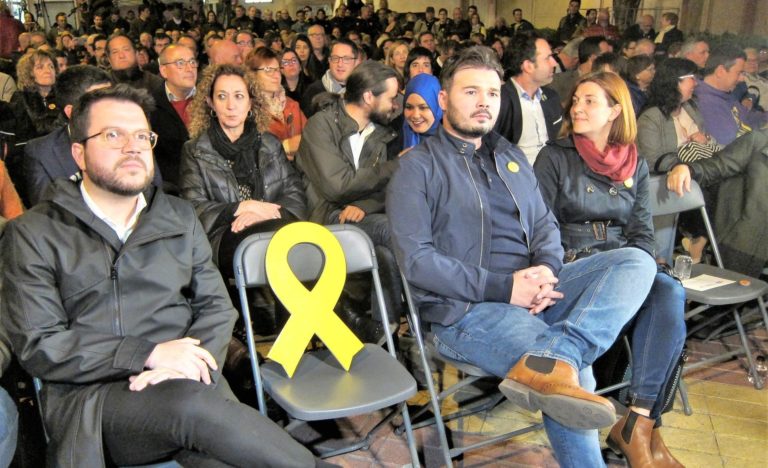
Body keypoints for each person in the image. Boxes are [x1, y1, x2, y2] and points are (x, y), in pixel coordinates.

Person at [1, 84, 324, 467]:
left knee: (219, 457)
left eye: (142, 136)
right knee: (195, 409)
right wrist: (149, 355)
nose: (132, 146)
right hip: (98, 401)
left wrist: (190, 362)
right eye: (112, 135)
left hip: (189, 380)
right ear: (79, 154)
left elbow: (217, 307)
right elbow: (41, 344)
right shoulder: (35, 233)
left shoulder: (177, 216)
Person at [387, 45, 657, 467]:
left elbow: (546, 225)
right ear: (443, 100)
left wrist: (547, 272)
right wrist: (506, 287)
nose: (483, 103)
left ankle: (560, 352)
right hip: (468, 309)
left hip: (536, 291)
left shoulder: (510, 156)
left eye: (492, 94)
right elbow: (417, 262)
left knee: (636, 262)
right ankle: (561, 367)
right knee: (574, 379)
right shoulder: (416, 168)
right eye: (471, 92)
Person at [533, 71, 686, 468]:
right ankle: (638, 432)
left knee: (669, 291)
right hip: (573, 263)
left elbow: (642, 233)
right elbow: (539, 226)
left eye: (589, 101)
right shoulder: (556, 156)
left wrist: (639, 273)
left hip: (622, 261)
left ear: (615, 110)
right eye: (576, 101)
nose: (577, 108)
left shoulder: (634, 161)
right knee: (655, 281)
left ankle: (640, 419)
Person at [295, 60, 402, 339]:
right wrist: (393, 167)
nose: (395, 105)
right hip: (324, 217)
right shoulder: (321, 126)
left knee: (387, 255)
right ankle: (428, 312)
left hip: (360, 218)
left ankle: (384, 333)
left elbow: (385, 189)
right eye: (391, 98)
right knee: (395, 232)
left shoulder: (381, 133)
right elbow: (337, 186)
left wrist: (364, 206)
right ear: (369, 97)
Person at [180, 64, 305, 279]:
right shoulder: (195, 150)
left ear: (250, 103)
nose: (231, 105)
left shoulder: (269, 144)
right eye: (222, 96)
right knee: (284, 246)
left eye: (239, 96)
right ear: (210, 103)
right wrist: (241, 208)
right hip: (224, 236)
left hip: (275, 225)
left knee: (294, 243)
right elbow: (194, 208)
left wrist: (264, 213)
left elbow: (295, 194)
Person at [24, 65, 116, 206]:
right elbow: (46, 214)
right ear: (72, 112)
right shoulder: (42, 152)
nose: (113, 107)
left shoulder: (133, 135)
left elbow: (154, 196)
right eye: (101, 102)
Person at [494, 34, 563, 165]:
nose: (554, 62)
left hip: (552, 177)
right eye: (548, 58)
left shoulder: (551, 97)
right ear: (528, 66)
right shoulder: (500, 101)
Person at [695, 43, 767, 145]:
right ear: (720, 71)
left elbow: (748, 117)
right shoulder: (706, 102)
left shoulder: (725, 94)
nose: (742, 78)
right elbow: (731, 146)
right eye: (739, 73)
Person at [150, 44, 197, 194]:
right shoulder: (149, 105)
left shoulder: (211, 99)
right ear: (164, 71)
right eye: (180, 63)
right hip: (172, 191)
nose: (189, 68)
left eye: (192, 62)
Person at [247, 47, 307, 161]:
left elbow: (310, 139)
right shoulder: (247, 109)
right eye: (268, 70)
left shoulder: (292, 105)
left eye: (277, 69)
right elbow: (251, 154)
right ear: (252, 74)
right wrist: (286, 146)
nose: (276, 75)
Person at [10, 49, 60, 145]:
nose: (48, 71)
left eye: (51, 66)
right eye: (40, 67)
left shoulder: (64, 95)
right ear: (29, 73)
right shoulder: (21, 98)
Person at [301, 38, 359, 117]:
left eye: (346, 59)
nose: (340, 64)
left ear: (356, 63)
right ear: (329, 61)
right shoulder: (313, 92)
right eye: (335, 58)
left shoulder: (363, 92)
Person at [550, 36, 610, 105]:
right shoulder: (559, 81)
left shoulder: (607, 83)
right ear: (593, 57)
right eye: (606, 56)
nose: (610, 60)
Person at [401, 73, 442, 152]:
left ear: (437, 107)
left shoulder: (454, 143)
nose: (415, 115)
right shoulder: (393, 138)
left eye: (423, 108)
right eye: (409, 107)